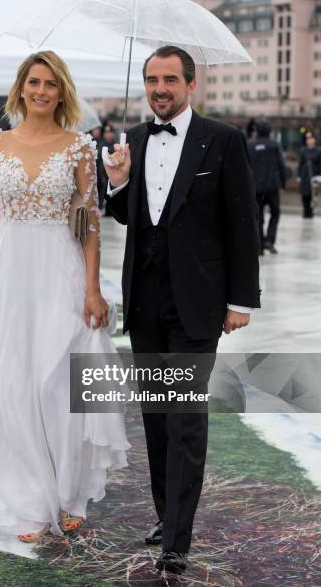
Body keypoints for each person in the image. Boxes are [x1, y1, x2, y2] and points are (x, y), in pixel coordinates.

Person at [0, 51, 129, 541]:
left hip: (60, 270)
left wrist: (92, 288)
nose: (41, 91)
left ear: (62, 90)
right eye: (34, 82)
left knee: (58, 383)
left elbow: (89, 224)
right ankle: (31, 497)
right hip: (9, 272)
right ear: (21, 87)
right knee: (14, 383)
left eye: (51, 83)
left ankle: (70, 494)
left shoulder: (78, 148)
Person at [104, 45, 260, 575]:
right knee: (154, 418)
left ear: (191, 85)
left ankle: (177, 538)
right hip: (145, 303)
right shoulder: (135, 141)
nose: (160, 88)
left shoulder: (224, 140)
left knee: (185, 419)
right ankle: (165, 515)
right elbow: (127, 216)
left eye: (170, 79)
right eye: (152, 79)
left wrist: (240, 301)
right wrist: (120, 179)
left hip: (197, 305)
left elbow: (243, 226)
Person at [248, 120, 287, 255]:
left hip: (255, 188)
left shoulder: (250, 145)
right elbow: (281, 165)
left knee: (258, 216)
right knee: (275, 213)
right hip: (272, 186)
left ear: (257, 131)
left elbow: (245, 166)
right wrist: (283, 183)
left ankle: (259, 244)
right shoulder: (274, 145)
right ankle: (269, 240)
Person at [297, 131, 321, 218]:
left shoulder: (318, 150)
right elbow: (300, 163)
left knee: (312, 196)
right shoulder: (303, 150)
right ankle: (305, 212)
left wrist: (319, 176)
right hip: (304, 176)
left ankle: (310, 213)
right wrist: (299, 175)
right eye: (308, 139)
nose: (309, 141)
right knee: (304, 196)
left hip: (314, 176)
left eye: (311, 139)